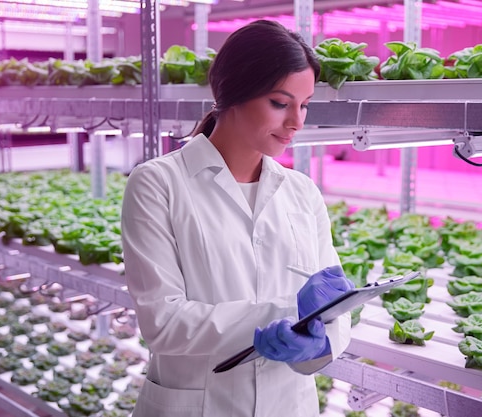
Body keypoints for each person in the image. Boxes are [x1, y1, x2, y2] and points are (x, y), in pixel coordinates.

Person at [121, 19, 355, 417]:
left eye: (305, 105)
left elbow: (330, 307)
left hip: (289, 404)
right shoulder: (158, 184)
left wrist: (321, 339)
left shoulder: (302, 192)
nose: (296, 121)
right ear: (234, 92)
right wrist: (282, 313)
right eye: (280, 103)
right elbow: (163, 321)